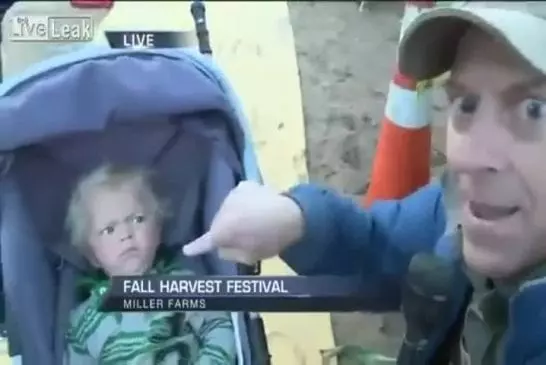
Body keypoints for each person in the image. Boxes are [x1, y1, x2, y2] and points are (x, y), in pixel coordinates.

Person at [183, 2, 546, 364]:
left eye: (535, 109)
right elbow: (381, 242)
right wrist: (297, 219)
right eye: (467, 104)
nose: (468, 160)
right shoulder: (459, 209)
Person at [64, 165, 236, 364]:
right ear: (92, 255)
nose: (126, 234)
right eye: (109, 229)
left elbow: (219, 327)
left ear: (157, 232)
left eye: (137, 219)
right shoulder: (84, 321)